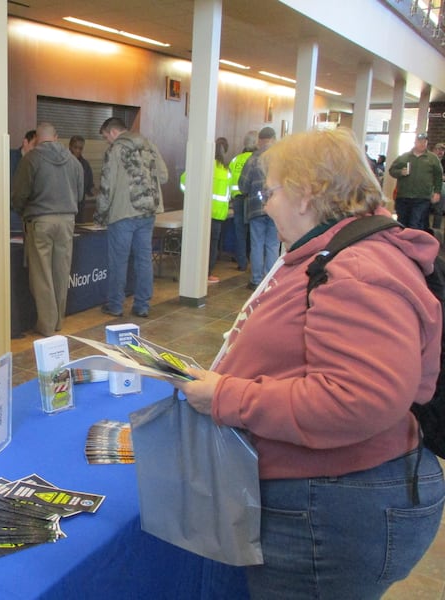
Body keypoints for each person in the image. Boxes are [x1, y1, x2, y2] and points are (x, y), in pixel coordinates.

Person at [173, 127, 445, 599]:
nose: (265, 205)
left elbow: (358, 400)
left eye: (270, 191)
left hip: (329, 507)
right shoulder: (342, 254)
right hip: (329, 496)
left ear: (307, 193)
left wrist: (226, 396)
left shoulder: (357, 268)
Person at [11, 122, 83, 336]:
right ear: (56, 137)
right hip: (67, 221)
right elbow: (80, 195)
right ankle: (58, 321)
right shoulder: (73, 161)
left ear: (36, 140)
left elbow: (19, 195)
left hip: (40, 221)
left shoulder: (31, 159)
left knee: (42, 275)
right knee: (61, 272)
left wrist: (23, 211)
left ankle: (46, 325)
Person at [94, 117, 167, 318]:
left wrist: (100, 215)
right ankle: (142, 305)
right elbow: (163, 176)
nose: (107, 141)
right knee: (144, 259)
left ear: (113, 132)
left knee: (119, 261)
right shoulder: (149, 146)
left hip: (123, 214)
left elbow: (107, 187)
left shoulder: (115, 150)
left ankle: (116, 305)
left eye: (105, 137)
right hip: (148, 212)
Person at [178, 137, 231, 284]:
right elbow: (230, 192)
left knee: (197, 243)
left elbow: (183, 182)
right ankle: (207, 274)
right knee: (212, 246)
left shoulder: (202, 165)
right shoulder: (226, 171)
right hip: (218, 214)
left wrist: (190, 196)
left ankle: (192, 273)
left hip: (200, 212)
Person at [239, 126, 280, 290]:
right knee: (272, 244)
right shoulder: (282, 158)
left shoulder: (254, 158)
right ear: (274, 139)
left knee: (257, 243)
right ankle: (270, 281)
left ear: (260, 140)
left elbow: (243, 185)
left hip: (256, 207)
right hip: (277, 207)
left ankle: (256, 280)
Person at [388, 132, 443, 230]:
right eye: (420, 141)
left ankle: (413, 244)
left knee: (415, 223)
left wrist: (437, 192)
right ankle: (402, 244)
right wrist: (401, 172)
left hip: (422, 198)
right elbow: (392, 170)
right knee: (402, 223)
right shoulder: (404, 157)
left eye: (425, 141)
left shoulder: (432, 158)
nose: (422, 143)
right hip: (403, 196)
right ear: (415, 142)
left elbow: (438, 175)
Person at [229, 131, 258, 271]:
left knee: (239, 231)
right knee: (255, 232)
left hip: (237, 200)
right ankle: (255, 263)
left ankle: (242, 263)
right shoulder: (257, 159)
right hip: (252, 199)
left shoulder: (235, 160)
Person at [68, 135, 96, 219]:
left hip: (79, 208)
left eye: (80, 148)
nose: (77, 150)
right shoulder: (63, 163)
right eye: (75, 147)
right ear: (70, 146)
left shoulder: (85, 165)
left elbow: (89, 187)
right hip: (65, 208)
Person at [432, 142, 445, 230]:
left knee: (438, 210)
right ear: (434, 150)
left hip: (441, 186)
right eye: (438, 149)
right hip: (429, 186)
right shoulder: (430, 160)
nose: (440, 151)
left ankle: (436, 230)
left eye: (442, 150)